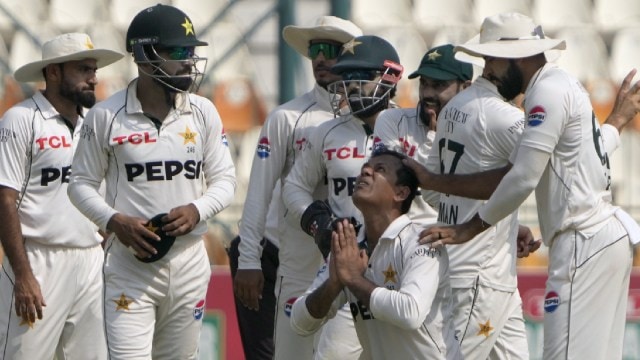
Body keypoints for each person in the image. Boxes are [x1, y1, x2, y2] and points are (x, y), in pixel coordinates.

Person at [415, 12, 640, 360]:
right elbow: (577, 160)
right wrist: (616, 121)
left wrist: (469, 228)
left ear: (517, 56)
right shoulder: (561, 85)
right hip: (599, 237)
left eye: (491, 59)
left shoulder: (544, 94)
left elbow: (522, 177)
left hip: (582, 240)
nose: (486, 70)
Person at [67, 4, 236, 359]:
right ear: (144, 57)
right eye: (178, 52)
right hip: (131, 266)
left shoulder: (203, 111)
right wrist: (114, 221)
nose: (189, 61)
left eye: (191, 51)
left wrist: (197, 208)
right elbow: (79, 183)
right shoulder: (105, 116)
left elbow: (225, 180)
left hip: (190, 261)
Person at [229, 15, 362, 360]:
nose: (319, 58)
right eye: (314, 49)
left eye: (330, 49)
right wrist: (248, 260)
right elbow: (258, 192)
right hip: (292, 261)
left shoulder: (379, 119)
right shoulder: (287, 117)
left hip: (356, 260)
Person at [0, 33, 123, 359]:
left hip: (90, 262)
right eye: (83, 69)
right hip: (38, 261)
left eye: (94, 70)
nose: (93, 78)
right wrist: (23, 276)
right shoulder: (21, 119)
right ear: (53, 72)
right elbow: (5, 199)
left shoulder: (96, 124)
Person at [283, 34, 404, 359]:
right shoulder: (327, 131)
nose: (351, 87)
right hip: (346, 259)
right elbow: (294, 187)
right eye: (346, 78)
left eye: (360, 78)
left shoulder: (414, 130)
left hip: (402, 261)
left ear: (389, 77)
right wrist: (316, 222)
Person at [290, 148, 462, 360]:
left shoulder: (422, 241)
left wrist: (353, 280)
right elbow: (300, 322)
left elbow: (410, 313)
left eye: (379, 169)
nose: (366, 172)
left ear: (401, 193)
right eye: (365, 169)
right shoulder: (349, 248)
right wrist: (334, 284)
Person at [374, 44, 473, 225]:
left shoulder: (477, 130)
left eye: (439, 85)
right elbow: (393, 185)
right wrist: (434, 139)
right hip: (403, 239)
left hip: (459, 240)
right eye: (424, 83)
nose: (427, 93)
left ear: (465, 88)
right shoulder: (392, 120)